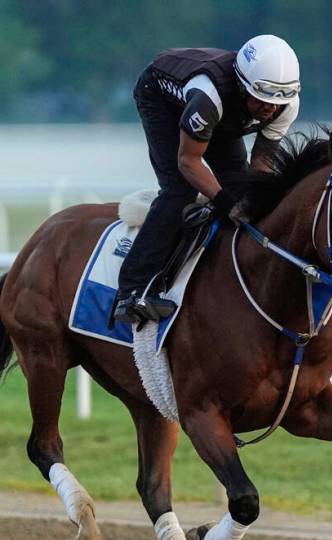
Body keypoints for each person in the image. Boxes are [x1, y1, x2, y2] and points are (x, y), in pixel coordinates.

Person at [113, 34, 301, 325]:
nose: (270, 110)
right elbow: (188, 162)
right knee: (180, 190)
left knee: (245, 194)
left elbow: (262, 162)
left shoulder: (285, 104)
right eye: (263, 100)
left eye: (276, 104)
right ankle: (131, 291)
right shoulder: (209, 95)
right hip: (162, 97)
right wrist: (227, 202)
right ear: (242, 85)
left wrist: (255, 199)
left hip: (223, 115)